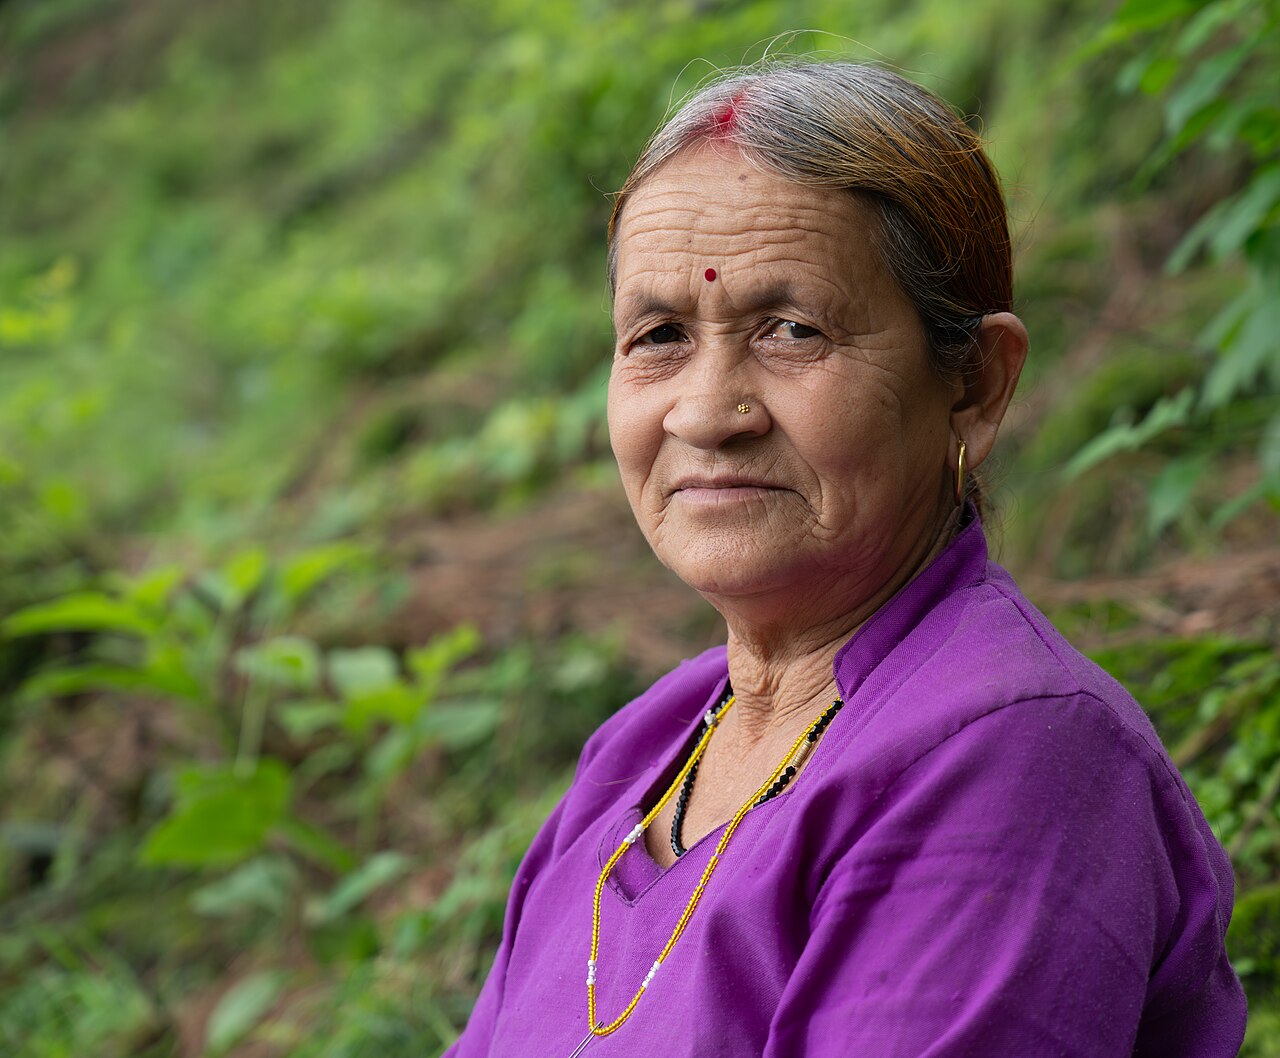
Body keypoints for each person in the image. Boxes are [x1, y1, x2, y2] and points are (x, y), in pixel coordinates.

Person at [444, 62, 1246, 1057]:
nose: (704, 411)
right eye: (657, 335)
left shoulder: (1013, 756)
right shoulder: (639, 753)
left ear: (972, 385)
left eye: (790, 330)